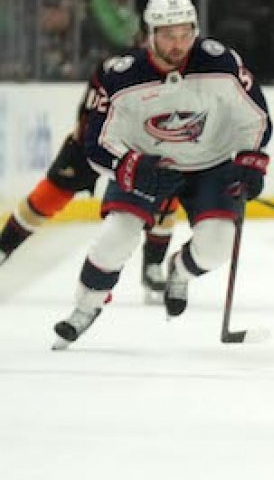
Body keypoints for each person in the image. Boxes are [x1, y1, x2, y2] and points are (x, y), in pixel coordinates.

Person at [52, 0, 272, 349]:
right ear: (149, 33)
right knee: (116, 237)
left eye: (186, 33)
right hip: (145, 164)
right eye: (168, 34)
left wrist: (251, 161)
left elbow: (255, 118)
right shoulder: (123, 75)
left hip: (210, 165)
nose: (178, 43)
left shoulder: (221, 63)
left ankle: (179, 271)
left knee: (216, 247)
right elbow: (97, 141)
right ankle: (85, 306)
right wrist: (132, 167)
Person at [0, 48, 177, 305]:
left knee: (165, 199)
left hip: (146, 149)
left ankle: (153, 266)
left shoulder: (187, 71)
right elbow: (89, 109)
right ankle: (4, 247)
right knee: (49, 196)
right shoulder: (117, 66)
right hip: (93, 143)